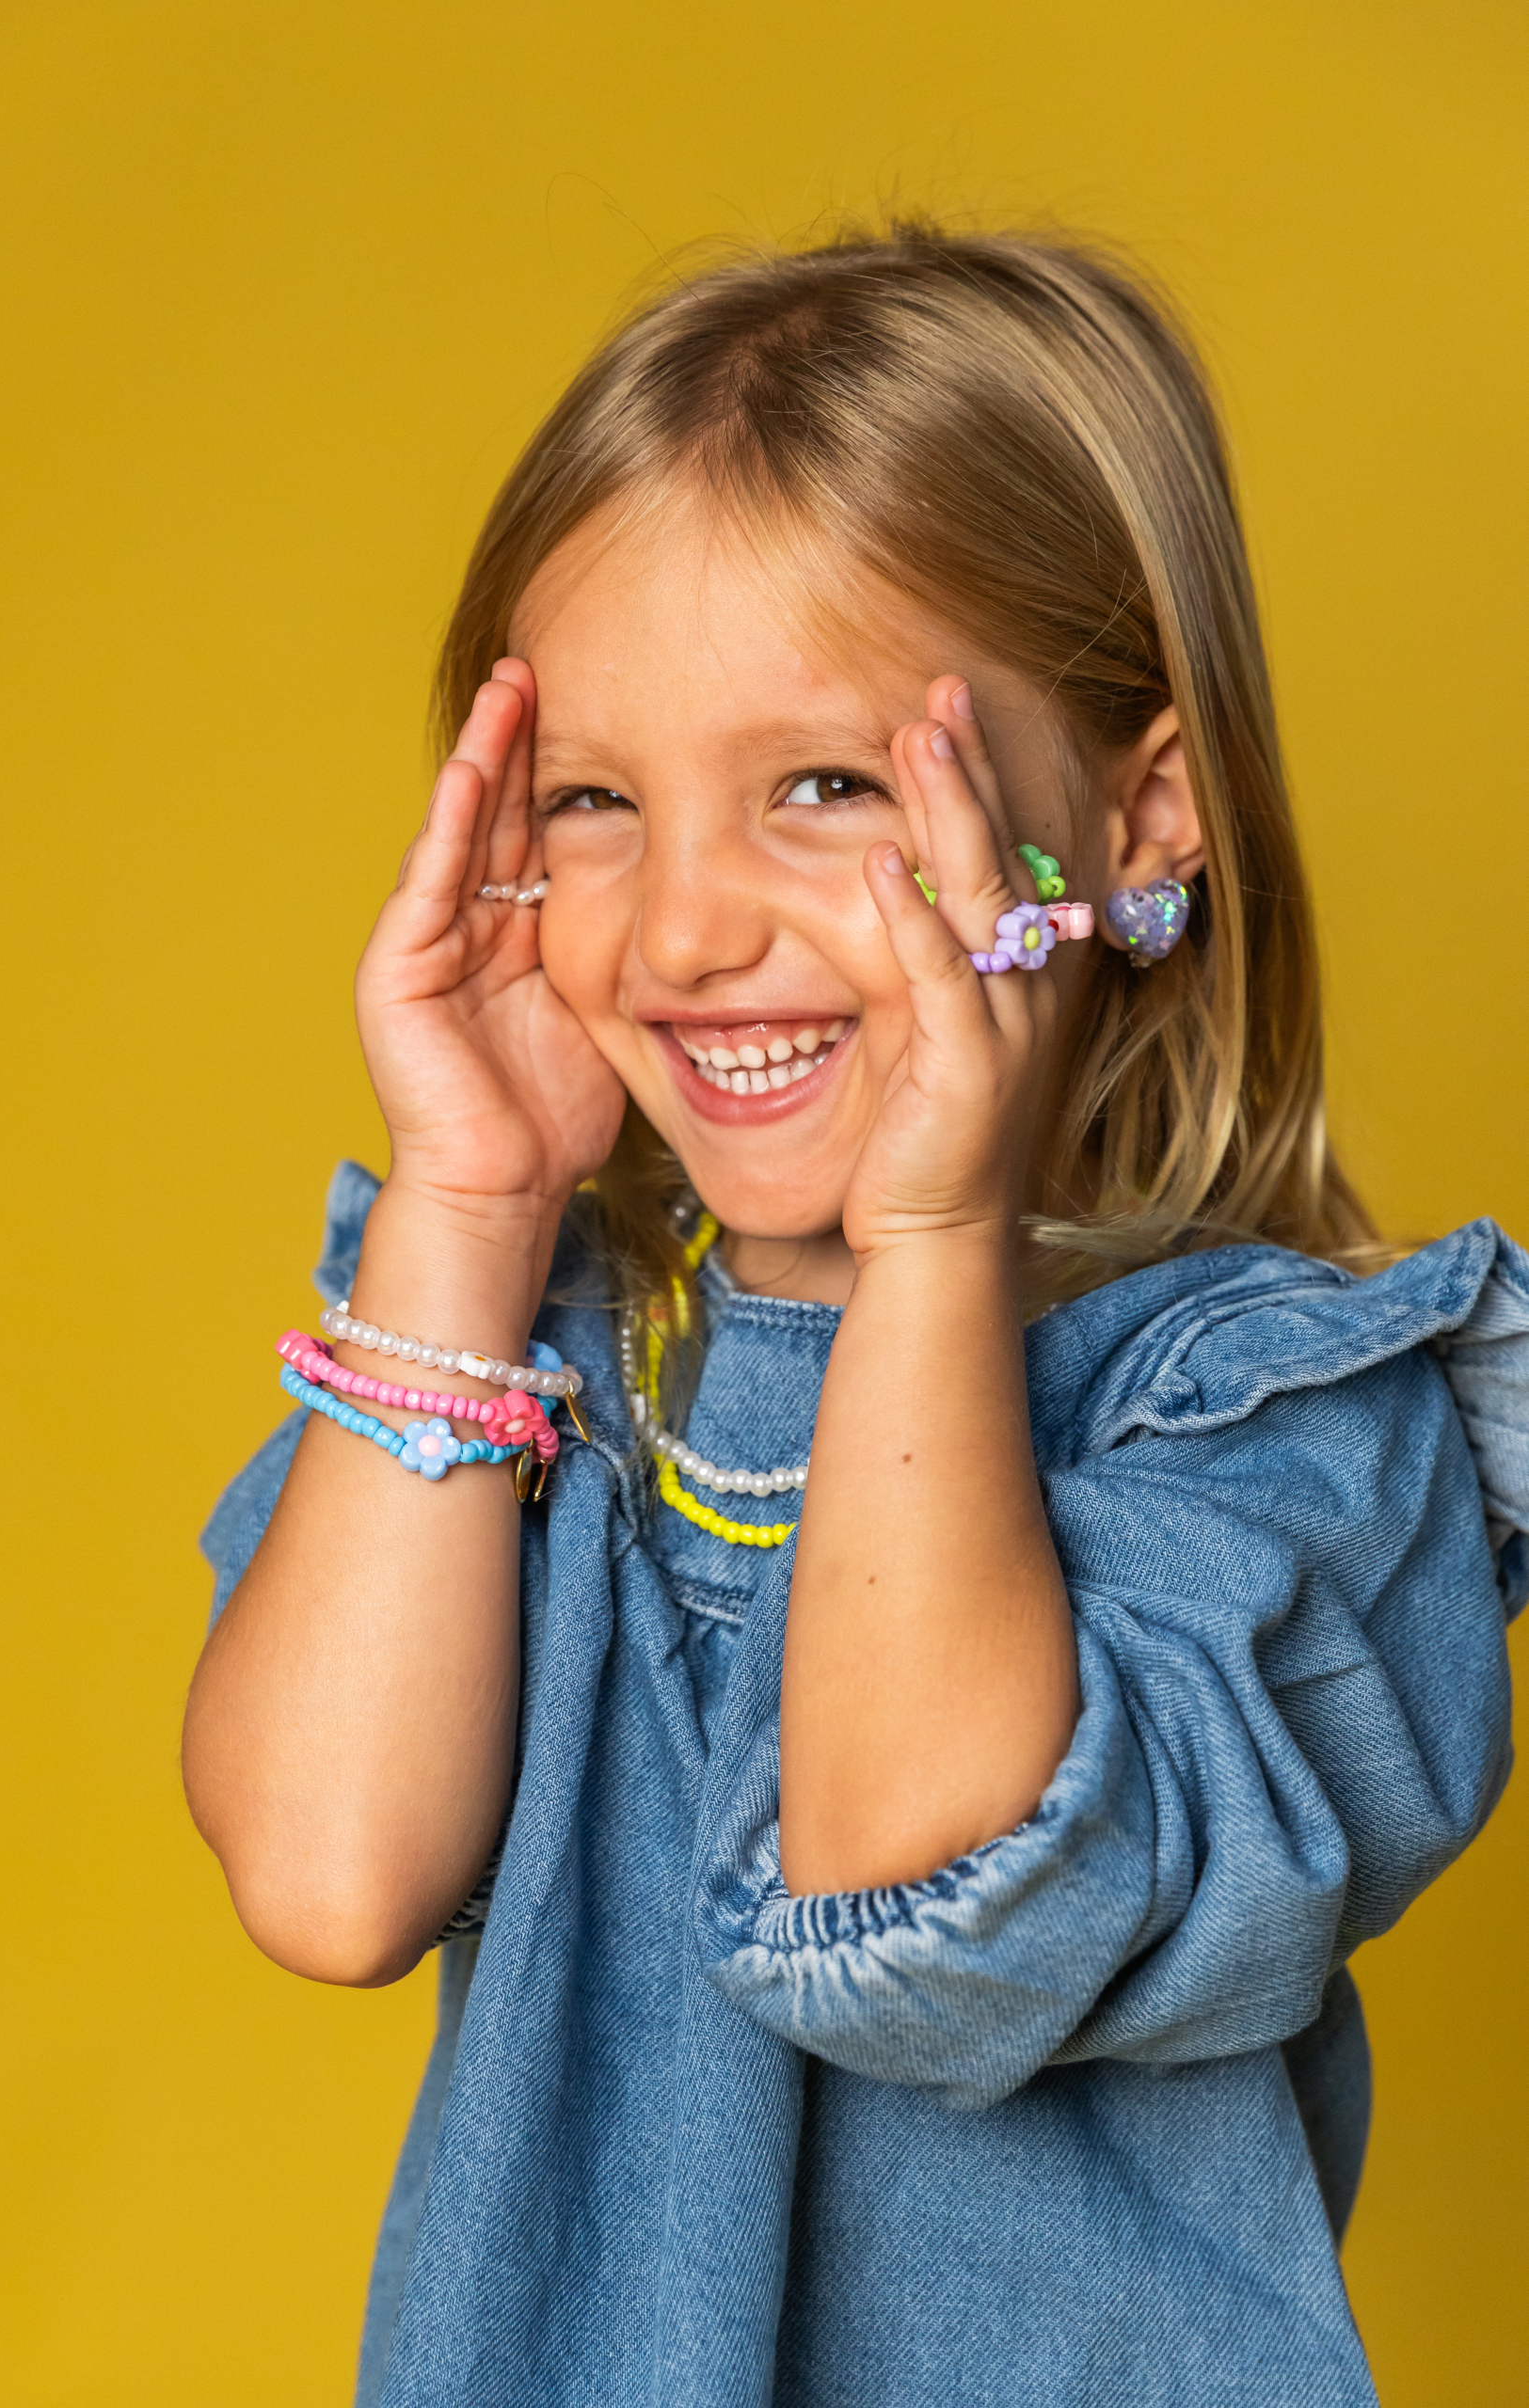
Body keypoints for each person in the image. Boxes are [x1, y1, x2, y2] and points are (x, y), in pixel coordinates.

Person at [183, 226, 1527, 2408]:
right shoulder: (548, 1378)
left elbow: (911, 1902)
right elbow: (333, 1874)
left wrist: (925, 1239)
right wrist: (469, 1201)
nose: (682, 928)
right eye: (594, 801)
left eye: (821, 783)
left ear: (1137, 813)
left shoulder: (1278, 1430)